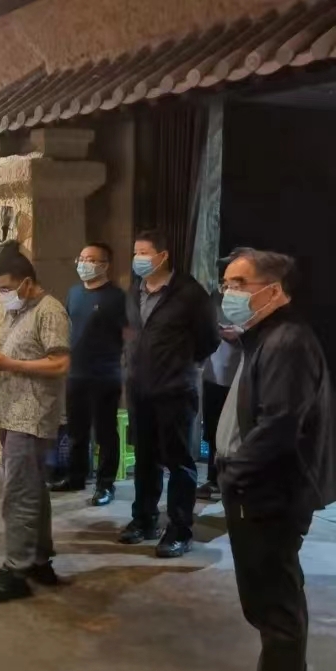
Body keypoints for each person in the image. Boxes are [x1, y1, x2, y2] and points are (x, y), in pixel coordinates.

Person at [209, 248, 333, 671]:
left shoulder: (287, 342)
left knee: (274, 597)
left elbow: (280, 425)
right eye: (226, 283)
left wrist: (235, 473)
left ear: (274, 291)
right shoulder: (265, 337)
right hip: (258, 486)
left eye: (240, 284)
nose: (229, 292)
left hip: (270, 491)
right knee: (270, 595)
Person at [0, 241, 70, 602]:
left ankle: (16, 570)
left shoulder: (50, 310)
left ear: (26, 282)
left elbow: (60, 363)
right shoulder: (19, 311)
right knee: (33, 490)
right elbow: (22, 354)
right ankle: (40, 560)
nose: (2, 296)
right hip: (12, 413)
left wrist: (9, 364)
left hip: (31, 416)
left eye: (6, 288)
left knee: (19, 493)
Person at [120, 230, 219, 557]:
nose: (138, 259)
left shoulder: (190, 293)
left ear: (163, 256)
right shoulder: (135, 290)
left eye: (144, 252)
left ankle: (179, 529)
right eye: (136, 252)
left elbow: (209, 338)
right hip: (140, 388)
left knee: (179, 461)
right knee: (145, 459)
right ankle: (144, 519)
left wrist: (182, 365)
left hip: (175, 390)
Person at [51, 242, 127, 506]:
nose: (84, 264)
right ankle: (76, 476)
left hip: (105, 375)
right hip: (76, 372)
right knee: (76, 430)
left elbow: (127, 335)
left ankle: (105, 484)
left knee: (105, 432)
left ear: (105, 265)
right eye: (81, 258)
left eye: (91, 260)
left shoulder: (117, 297)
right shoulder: (74, 293)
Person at [199, 268, 242, 502]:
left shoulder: (251, 302)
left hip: (238, 378)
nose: (227, 288)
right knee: (213, 431)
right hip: (212, 375)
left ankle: (234, 482)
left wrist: (241, 334)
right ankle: (213, 479)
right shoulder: (213, 299)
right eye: (224, 282)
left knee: (234, 433)